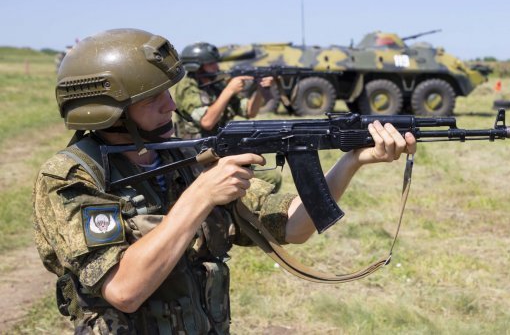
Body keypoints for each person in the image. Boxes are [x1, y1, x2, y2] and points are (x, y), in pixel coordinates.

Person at [33, 28, 416, 333]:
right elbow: (124, 290)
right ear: (109, 113)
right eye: (152, 99)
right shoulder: (73, 178)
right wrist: (200, 196)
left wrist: (353, 161)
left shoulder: (183, 158)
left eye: (167, 92)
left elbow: (294, 226)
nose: (170, 105)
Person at [172, 41, 283, 191]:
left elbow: (249, 111)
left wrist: (259, 88)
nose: (216, 67)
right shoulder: (187, 87)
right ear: (197, 66)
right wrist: (229, 90)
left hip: (220, 153)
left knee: (272, 178)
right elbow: (207, 122)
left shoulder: (217, 85)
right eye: (211, 63)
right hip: (197, 159)